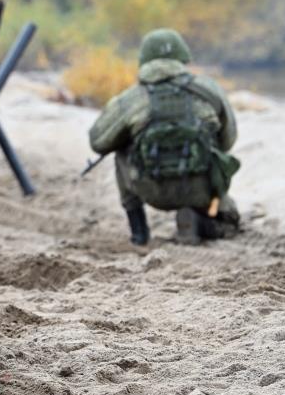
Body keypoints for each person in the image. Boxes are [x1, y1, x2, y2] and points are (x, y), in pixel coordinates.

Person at [89, 28, 240, 246]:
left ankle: (139, 232)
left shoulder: (132, 98)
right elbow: (228, 141)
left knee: (120, 152)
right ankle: (198, 217)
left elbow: (98, 142)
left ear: (145, 60)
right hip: (201, 189)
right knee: (225, 206)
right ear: (182, 57)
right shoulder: (209, 90)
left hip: (152, 190)